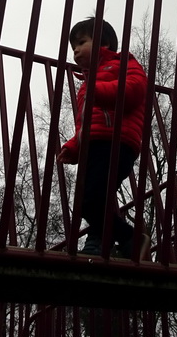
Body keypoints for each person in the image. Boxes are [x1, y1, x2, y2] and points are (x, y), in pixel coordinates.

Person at [57, 18, 150, 258]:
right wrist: (74, 146)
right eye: (73, 47)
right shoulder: (87, 83)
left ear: (103, 43)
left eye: (81, 42)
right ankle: (105, 242)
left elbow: (135, 90)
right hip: (95, 145)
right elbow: (85, 123)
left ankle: (129, 238)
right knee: (90, 200)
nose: (75, 50)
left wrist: (98, 90)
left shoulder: (122, 64)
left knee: (91, 199)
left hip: (117, 142)